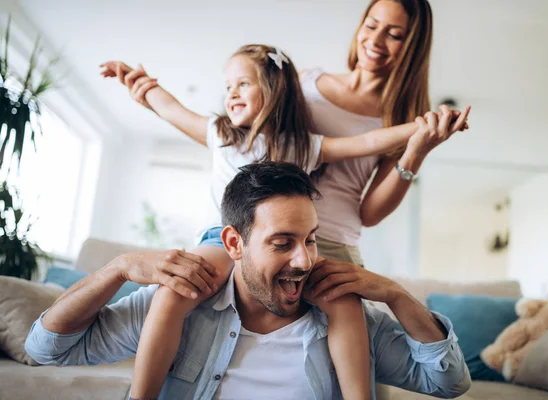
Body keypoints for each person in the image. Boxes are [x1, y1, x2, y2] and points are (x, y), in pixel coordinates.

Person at [99, 44, 469, 400]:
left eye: (243, 83)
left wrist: (424, 129)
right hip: (221, 239)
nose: (231, 93)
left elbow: (368, 140)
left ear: (273, 89)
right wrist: (142, 85)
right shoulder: (221, 133)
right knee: (176, 290)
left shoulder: (303, 145)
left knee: (345, 303)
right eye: (228, 86)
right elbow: (170, 109)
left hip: (282, 241)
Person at [25, 162, 471, 400]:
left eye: (311, 240)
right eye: (282, 243)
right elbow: (45, 349)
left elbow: (447, 383)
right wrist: (115, 268)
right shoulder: (186, 299)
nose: (304, 260)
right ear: (234, 243)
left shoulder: (345, 317)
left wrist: (394, 294)